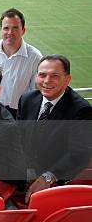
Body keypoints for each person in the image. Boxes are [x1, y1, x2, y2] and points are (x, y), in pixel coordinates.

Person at [18, 55, 92, 202]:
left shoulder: (82, 110)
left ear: (67, 79)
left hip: (57, 180)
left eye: (55, 76)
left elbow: (78, 155)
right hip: (25, 173)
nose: (46, 81)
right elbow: (19, 136)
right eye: (42, 75)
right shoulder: (27, 99)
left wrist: (48, 177)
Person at [0, 8, 42, 117]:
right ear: (1, 30)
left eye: (15, 28)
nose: (10, 33)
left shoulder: (35, 57)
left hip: (17, 114)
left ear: (23, 30)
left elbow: (36, 93)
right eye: (6, 28)